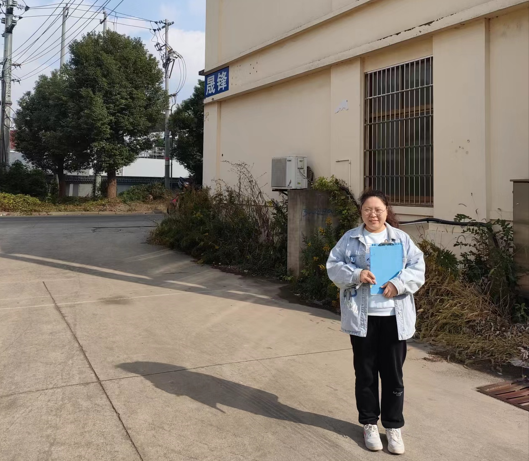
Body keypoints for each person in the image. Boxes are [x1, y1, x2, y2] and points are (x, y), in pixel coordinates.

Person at [326, 190, 425, 455]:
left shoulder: (401, 239)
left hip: (394, 318)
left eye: (378, 210)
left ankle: (393, 426)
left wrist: (398, 284)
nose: (373, 214)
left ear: (386, 211)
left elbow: (418, 269)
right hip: (363, 318)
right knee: (366, 374)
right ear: (361, 212)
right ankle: (369, 423)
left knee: (393, 375)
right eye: (367, 209)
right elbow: (333, 267)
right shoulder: (350, 239)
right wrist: (357, 274)